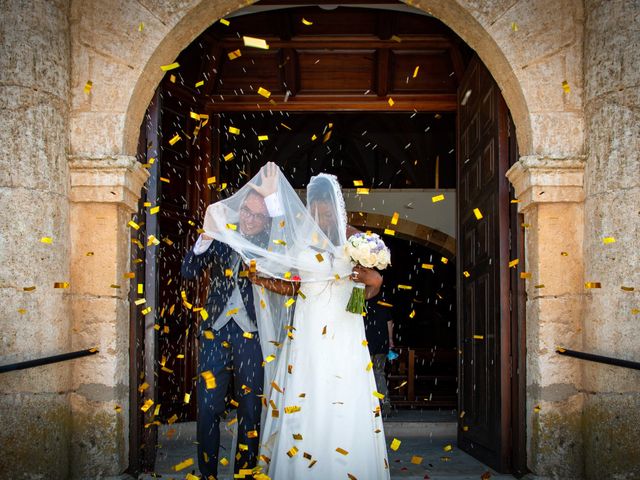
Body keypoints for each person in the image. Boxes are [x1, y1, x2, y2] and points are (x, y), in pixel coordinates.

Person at [251, 173, 391, 479]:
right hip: (308, 329)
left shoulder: (356, 240)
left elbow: (373, 287)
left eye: (326, 214)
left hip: (344, 328)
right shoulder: (302, 238)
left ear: (338, 210)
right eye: (315, 213)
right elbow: (296, 285)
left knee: (343, 390)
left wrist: (372, 281)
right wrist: (263, 280)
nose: (321, 219)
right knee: (307, 391)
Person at [180, 163, 281, 479]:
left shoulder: (271, 241)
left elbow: (285, 235)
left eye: (258, 215)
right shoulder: (223, 236)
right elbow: (188, 271)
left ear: (266, 219)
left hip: (252, 337)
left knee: (250, 410)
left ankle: (245, 474)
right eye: (247, 212)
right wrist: (206, 237)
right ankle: (208, 474)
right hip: (214, 334)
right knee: (208, 408)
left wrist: (272, 198)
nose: (251, 220)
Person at [364, 297, 394, 417]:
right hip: (382, 344)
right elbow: (390, 323)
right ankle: (385, 403)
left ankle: (369, 405)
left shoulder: (362, 303)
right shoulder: (384, 304)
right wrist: (390, 340)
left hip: (366, 344)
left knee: (365, 375)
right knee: (379, 373)